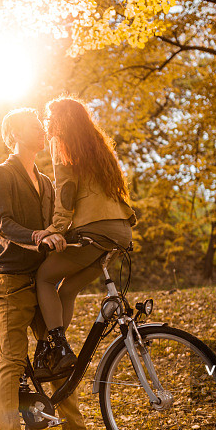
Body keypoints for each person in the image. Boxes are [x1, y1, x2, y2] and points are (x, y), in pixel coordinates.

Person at [0, 107, 119, 430]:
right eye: (33, 126)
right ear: (14, 132)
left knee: (56, 357)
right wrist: (37, 237)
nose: (42, 131)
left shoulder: (45, 181)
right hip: (10, 278)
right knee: (13, 361)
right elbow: (2, 224)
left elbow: (55, 226)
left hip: (38, 277)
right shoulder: (2, 173)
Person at [32, 97, 136, 379]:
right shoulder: (95, 144)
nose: (47, 123)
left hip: (95, 228)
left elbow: (66, 189)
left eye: (50, 117)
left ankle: (56, 347)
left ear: (61, 120)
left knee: (44, 277)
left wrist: (56, 228)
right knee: (67, 290)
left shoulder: (62, 142)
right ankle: (50, 351)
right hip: (120, 230)